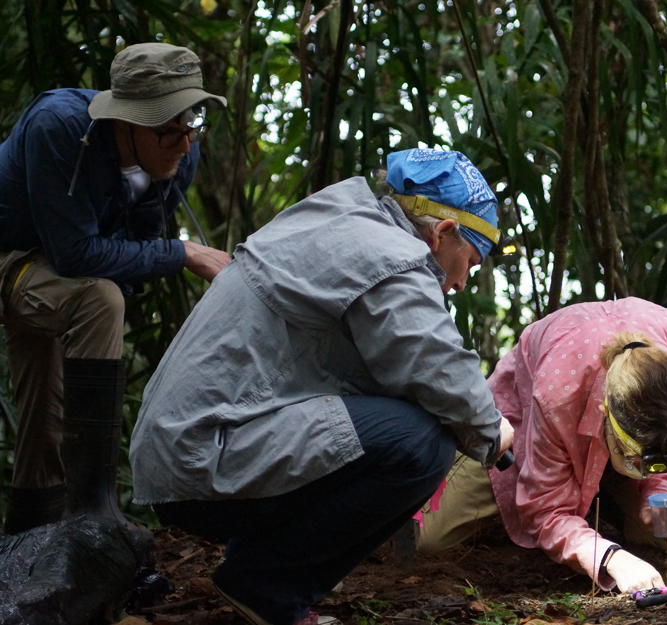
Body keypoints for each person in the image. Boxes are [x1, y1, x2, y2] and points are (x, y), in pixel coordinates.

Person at [129, 147, 515, 625]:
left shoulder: (339, 218)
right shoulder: (390, 254)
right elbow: (433, 362)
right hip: (204, 458)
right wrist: (491, 429)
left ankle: (257, 569)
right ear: (443, 233)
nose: (461, 283)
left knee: (401, 425)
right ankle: (266, 587)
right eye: (471, 263)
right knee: (421, 444)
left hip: (188, 450)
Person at [0, 43, 230, 534]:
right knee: (100, 298)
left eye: (192, 126)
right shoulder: (58, 128)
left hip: (62, 281)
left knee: (45, 421)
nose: (186, 144)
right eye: (171, 130)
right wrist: (182, 252)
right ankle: (94, 517)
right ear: (130, 122)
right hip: (11, 260)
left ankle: (29, 544)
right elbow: (75, 254)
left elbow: (132, 254)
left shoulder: (178, 154)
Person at [416, 297, 667, 594]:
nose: (644, 470)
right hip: (523, 425)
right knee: (428, 538)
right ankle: (588, 495)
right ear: (604, 416)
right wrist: (610, 558)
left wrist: (661, 489)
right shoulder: (558, 393)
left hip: (610, 438)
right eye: (634, 459)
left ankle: (601, 492)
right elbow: (544, 511)